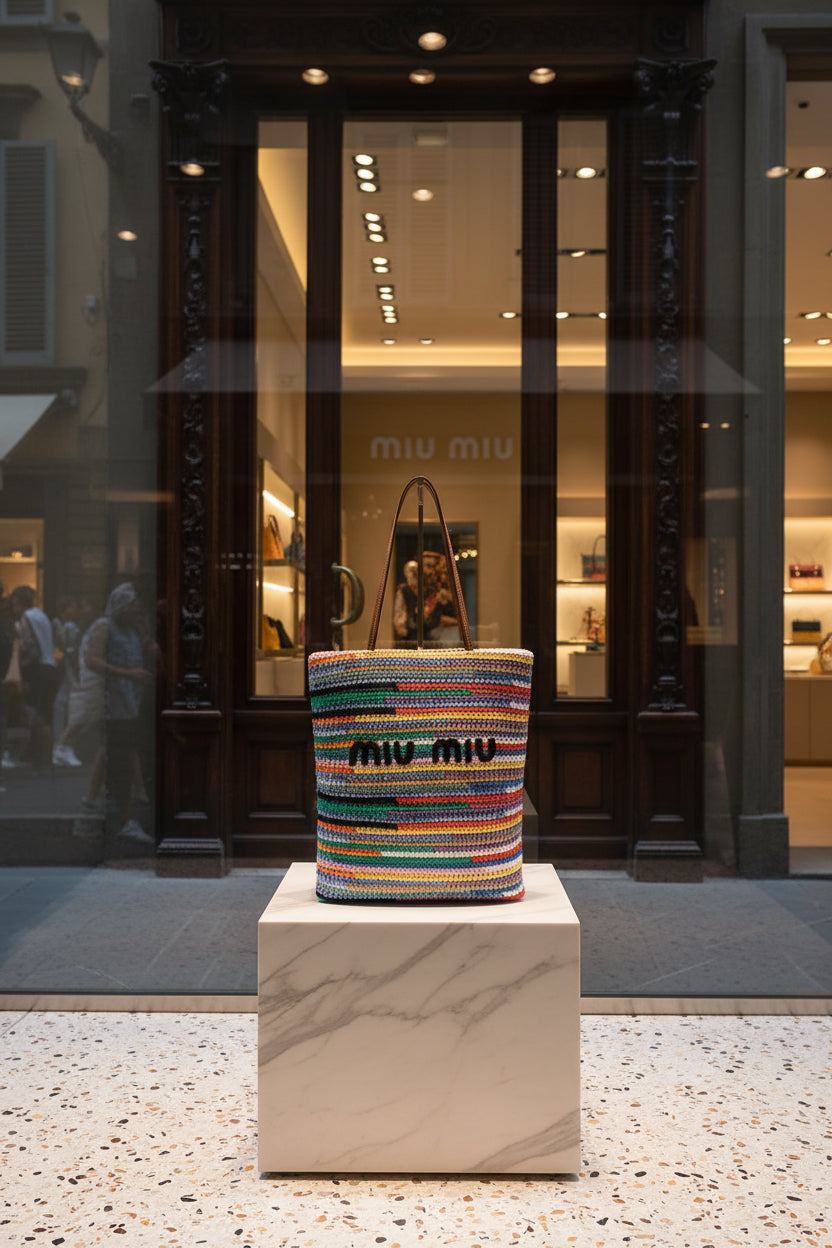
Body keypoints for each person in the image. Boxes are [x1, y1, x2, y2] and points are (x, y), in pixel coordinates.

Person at [73, 583, 153, 844]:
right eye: (133, 606)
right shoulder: (105, 626)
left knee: (122, 748)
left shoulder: (131, 629)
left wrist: (143, 630)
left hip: (129, 700)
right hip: (113, 702)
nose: (137, 611)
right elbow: (92, 660)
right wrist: (127, 674)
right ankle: (122, 812)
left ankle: (122, 796)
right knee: (115, 752)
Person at [10, 585, 57, 773]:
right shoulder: (41, 614)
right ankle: (47, 757)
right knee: (46, 713)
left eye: (14, 602)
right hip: (50, 666)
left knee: (34, 712)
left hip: (37, 669)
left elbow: (29, 645)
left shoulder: (27, 617)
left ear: (20, 602)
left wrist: (20, 663)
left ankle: (36, 757)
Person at [51, 596, 82, 765]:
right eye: (72, 606)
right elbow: (71, 651)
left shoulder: (64, 625)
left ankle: (61, 746)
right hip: (69, 668)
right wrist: (77, 670)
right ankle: (64, 747)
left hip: (66, 668)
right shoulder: (70, 626)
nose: (76, 610)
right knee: (70, 705)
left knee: (62, 704)